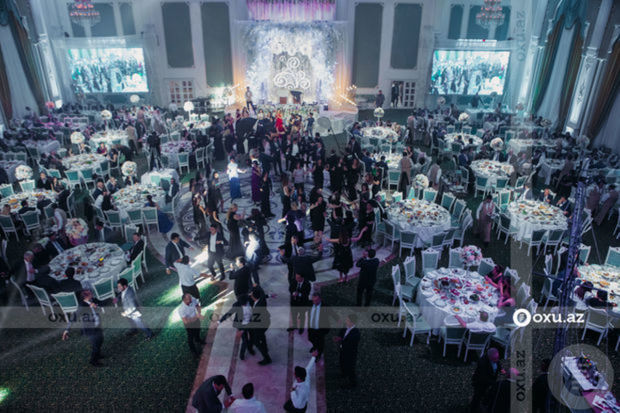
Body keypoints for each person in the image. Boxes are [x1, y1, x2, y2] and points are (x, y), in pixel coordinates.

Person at [61, 290, 105, 367]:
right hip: (90, 329)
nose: (92, 294)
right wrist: (67, 330)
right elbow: (73, 318)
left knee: (100, 340)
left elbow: (102, 303)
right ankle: (93, 361)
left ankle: (98, 354)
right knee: (95, 344)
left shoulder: (93, 300)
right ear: (86, 297)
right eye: (90, 294)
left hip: (97, 325)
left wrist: (96, 305)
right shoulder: (82, 307)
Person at [470, 347, 502, 413]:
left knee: (485, 395)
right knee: (477, 396)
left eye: (497, 358)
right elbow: (483, 378)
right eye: (495, 359)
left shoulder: (495, 359)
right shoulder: (482, 363)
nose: (497, 360)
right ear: (489, 357)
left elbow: (498, 365)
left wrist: (502, 370)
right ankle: (472, 409)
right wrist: (494, 383)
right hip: (480, 383)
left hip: (490, 380)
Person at [334, 313, 360, 388]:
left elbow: (350, 344)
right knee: (342, 362)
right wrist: (339, 337)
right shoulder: (346, 327)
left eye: (348, 320)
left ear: (352, 322)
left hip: (350, 354)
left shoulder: (356, 333)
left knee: (350, 368)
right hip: (343, 350)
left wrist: (341, 340)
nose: (346, 321)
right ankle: (344, 374)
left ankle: (352, 383)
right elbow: (341, 333)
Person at [248, 286, 272, 365]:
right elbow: (262, 293)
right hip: (266, 322)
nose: (250, 295)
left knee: (256, 341)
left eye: (251, 295)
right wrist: (257, 286)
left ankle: (267, 358)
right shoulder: (261, 300)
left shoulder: (258, 308)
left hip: (260, 325)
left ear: (254, 297)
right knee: (262, 336)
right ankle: (265, 347)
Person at [178, 293, 205, 357]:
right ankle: (193, 351)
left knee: (198, 330)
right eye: (189, 299)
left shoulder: (192, 299)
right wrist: (196, 316)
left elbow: (197, 305)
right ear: (184, 300)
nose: (191, 299)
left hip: (196, 318)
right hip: (189, 324)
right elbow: (186, 321)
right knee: (190, 337)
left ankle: (198, 339)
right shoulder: (181, 309)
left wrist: (199, 313)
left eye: (190, 297)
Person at [307, 292, 330, 360]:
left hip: (321, 329)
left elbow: (332, 313)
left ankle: (319, 354)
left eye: (316, 300)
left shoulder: (325, 306)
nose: (314, 302)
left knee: (320, 342)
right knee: (311, 338)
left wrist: (337, 319)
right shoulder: (310, 304)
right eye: (313, 300)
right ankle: (314, 347)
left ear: (320, 299)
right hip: (311, 328)